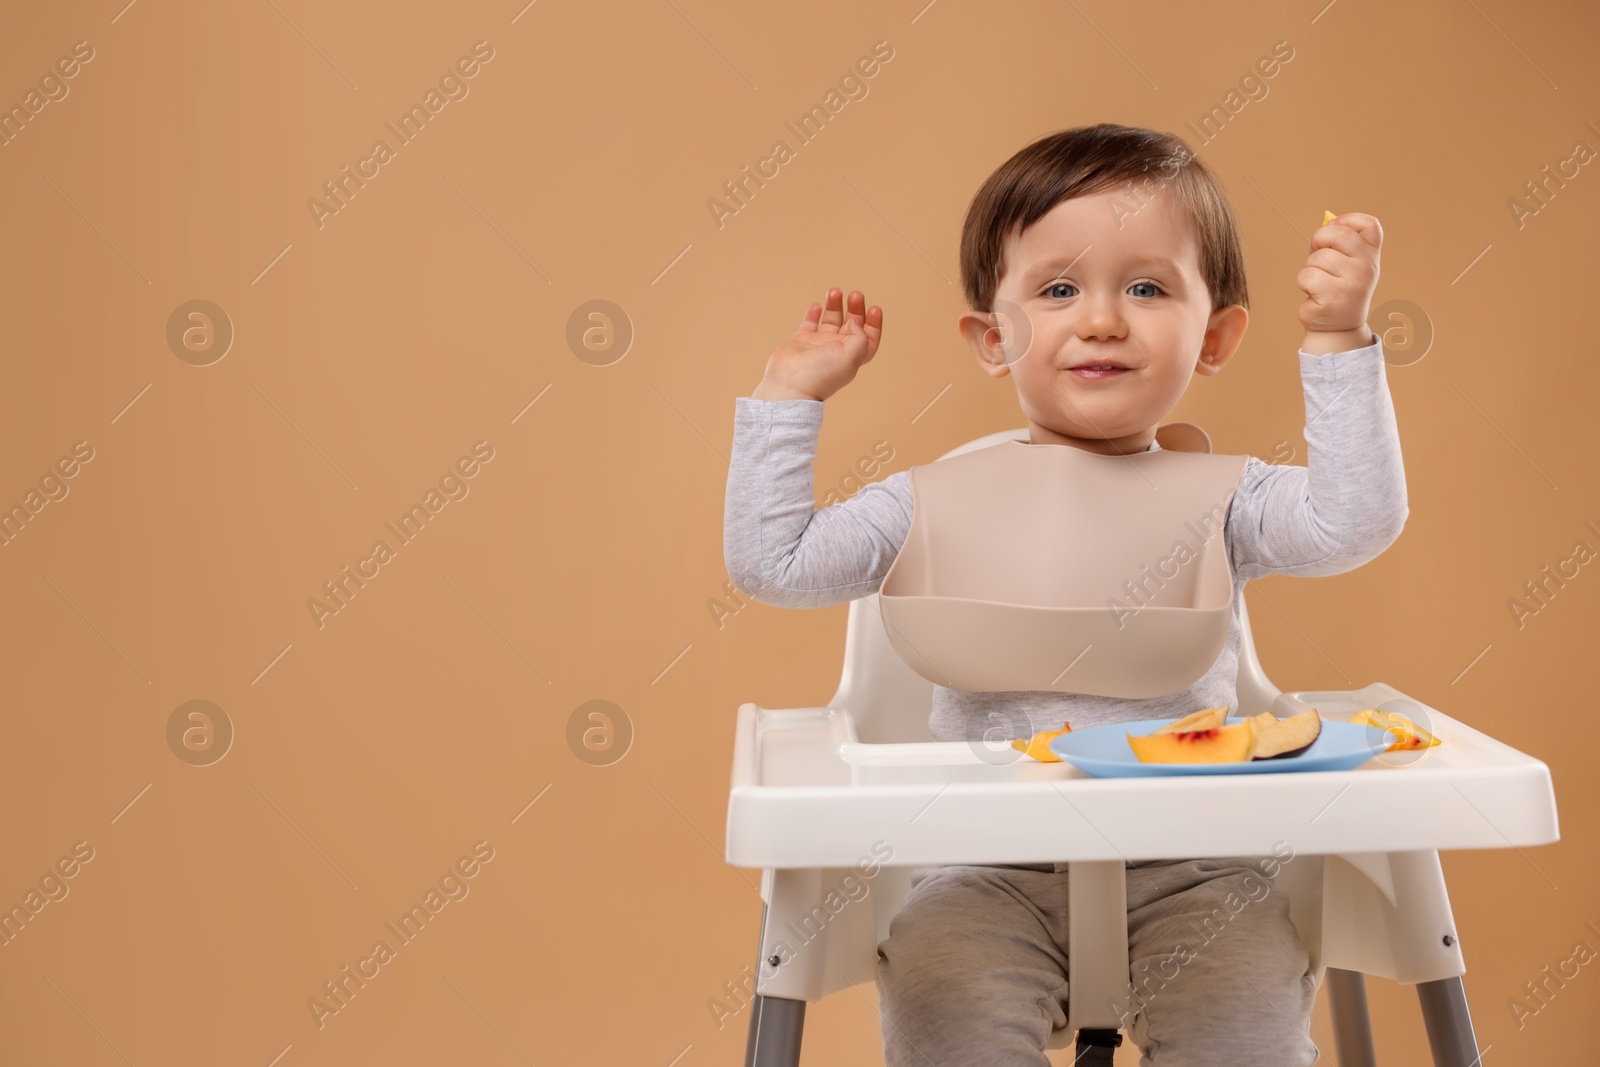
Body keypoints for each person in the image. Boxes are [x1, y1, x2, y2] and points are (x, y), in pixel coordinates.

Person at [722, 122, 1406, 1066]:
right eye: (1056, 289)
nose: (1101, 320)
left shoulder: (1228, 500)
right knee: (942, 998)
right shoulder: (923, 506)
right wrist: (787, 397)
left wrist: (1337, 340)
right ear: (991, 338)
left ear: (1217, 335)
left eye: (1147, 287)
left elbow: (1353, 521)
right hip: (988, 872)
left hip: (1194, 869)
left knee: (1244, 1024)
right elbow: (777, 562)